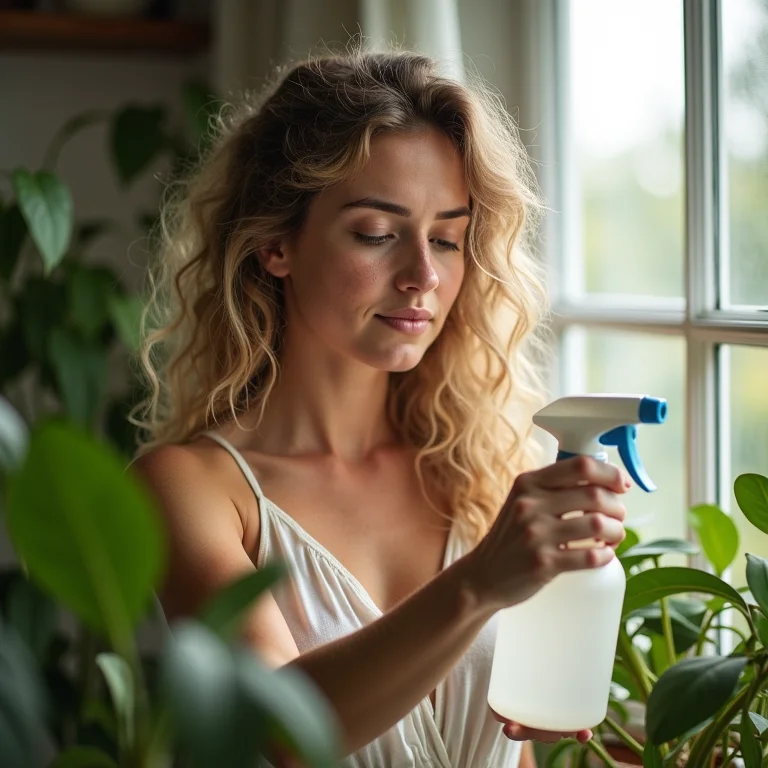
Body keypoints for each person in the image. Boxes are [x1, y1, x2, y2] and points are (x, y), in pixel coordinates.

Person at [130, 45, 629, 768]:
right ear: (276, 244)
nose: (423, 276)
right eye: (376, 234)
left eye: (449, 239)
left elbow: (526, 746)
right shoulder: (192, 489)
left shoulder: (487, 471)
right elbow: (280, 736)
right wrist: (480, 583)